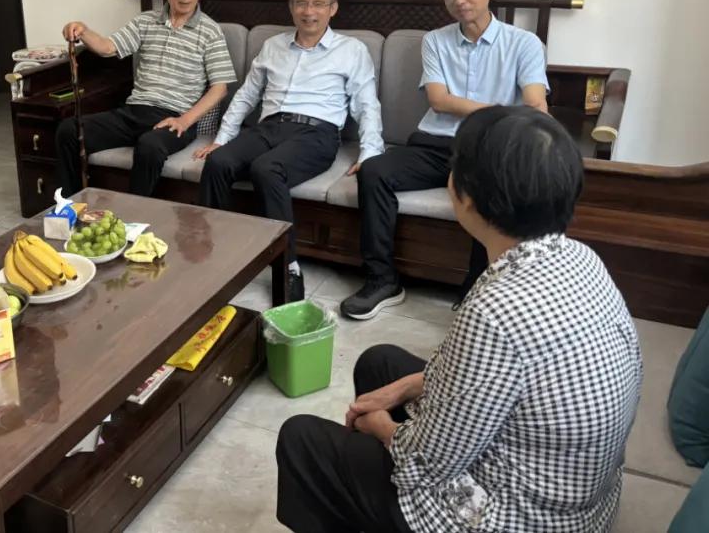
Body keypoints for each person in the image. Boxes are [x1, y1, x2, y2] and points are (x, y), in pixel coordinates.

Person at [276, 106, 643, 533]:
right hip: (577, 500)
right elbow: (491, 377)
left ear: (466, 196)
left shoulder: (496, 312)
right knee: (380, 363)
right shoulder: (579, 256)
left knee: (302, 439)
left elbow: (425, 461)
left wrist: (380, 428)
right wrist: (403, 388)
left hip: (517, 519)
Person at [340, 0, 550, 320]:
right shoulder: (435, 41)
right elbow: (439, 101)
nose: (460, 1)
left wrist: (503, 123)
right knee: (374, 171)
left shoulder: (524, 43)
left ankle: (477, 292)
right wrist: (502, 110)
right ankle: (382, 280)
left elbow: (535, 105)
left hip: (486, 148)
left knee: (494, 187)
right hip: (434, 144)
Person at [195, 0, 384, 302]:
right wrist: (222, 138)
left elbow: (367, 104)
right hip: (269, 127)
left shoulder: (351, 50)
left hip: (317, 133)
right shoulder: (273, 46)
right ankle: (219, 253)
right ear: (291, 6)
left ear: (333, 8)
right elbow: (246, 95)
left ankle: (288, 267)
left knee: (267, 169)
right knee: (219, 162)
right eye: (301, 3)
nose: (308, 12)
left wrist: (370, 153)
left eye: (318, 4)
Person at [56, 0, 235, 197]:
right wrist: (83, 30)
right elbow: (107, 48)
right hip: (134, 112)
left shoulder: (210, 31)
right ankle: (71, 206)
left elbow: (220, 88)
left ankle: (135, 214)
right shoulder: (145, 22)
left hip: (175, 119)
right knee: (68, 130)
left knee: (150, 145)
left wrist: (184, 121)